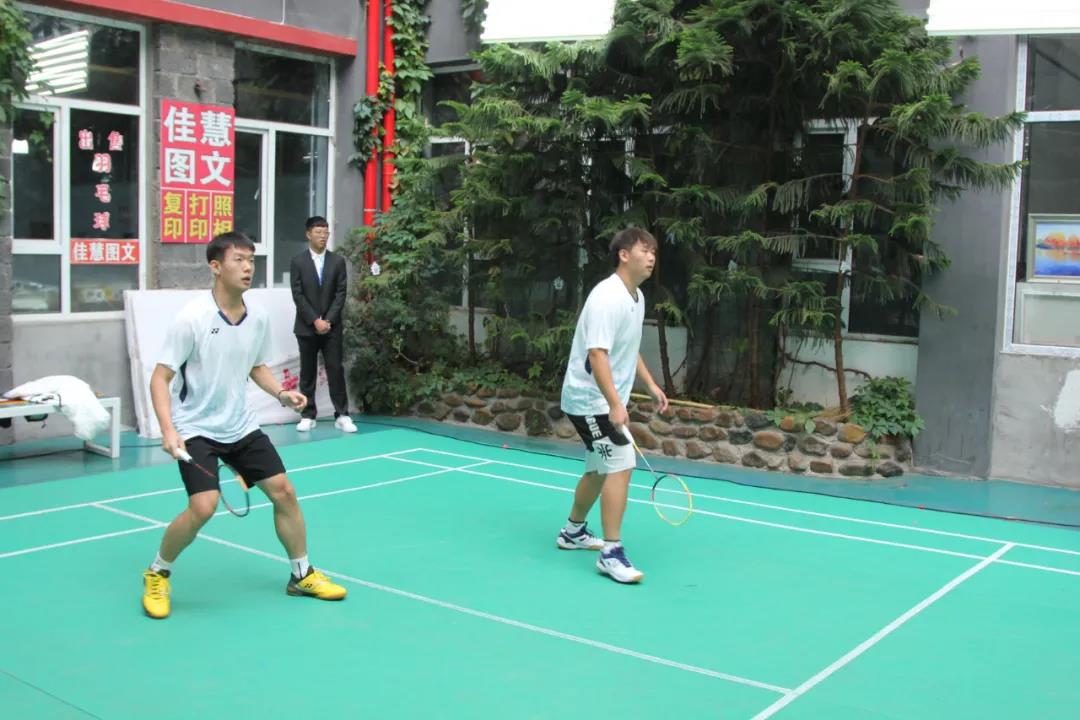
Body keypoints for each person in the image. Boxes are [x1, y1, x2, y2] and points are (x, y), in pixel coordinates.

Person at [142, 231, 347, 619]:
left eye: (251, 260)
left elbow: (255, 365)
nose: (248, 267)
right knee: (203, 507)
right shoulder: (192, 318)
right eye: (238, 259)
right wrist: (168, 430)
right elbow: (160, 377)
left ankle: (301, 574)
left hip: (239, 425)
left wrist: (280, 394)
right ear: (216, 267)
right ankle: (157, 573)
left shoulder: (258, 317)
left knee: (284, 492)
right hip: (196, 428)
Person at [556, 228, 669, 584]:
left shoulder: (635, 297)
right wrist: (615, 404)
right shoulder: (607, 296)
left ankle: (573, 532)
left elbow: (627, 347)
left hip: (601, 400)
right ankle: (611, 552)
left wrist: (649, 384)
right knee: (621, 462)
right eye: (644, 250)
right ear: (623, 254)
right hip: (589, 400)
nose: (651, 257)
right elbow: (597, 353)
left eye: (654, 252)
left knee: (599, 468)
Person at [289, 216, 355, 433]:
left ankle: (342, 415)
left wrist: (328, 320)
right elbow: (297, 295)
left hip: (331, 327)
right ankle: (308, 415)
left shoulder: (337, 261)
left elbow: (341, 293)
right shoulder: (298, 262)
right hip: (306, 327)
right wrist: (314, 320)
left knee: (335, 369)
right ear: (308, 234)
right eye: (318, 232)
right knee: (307, 372)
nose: (323, 236)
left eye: (326, 232)